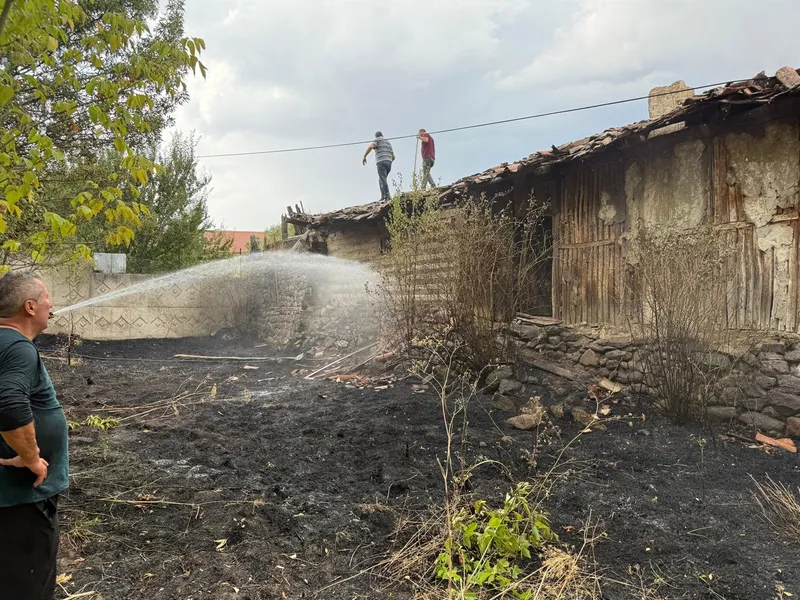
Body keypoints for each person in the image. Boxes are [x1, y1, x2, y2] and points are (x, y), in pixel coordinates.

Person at [0, 271, 67, 600]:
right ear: (30, 307)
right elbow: (9, 405)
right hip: (20, 502)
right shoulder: (17, 348)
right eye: (46, 299)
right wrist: (31, 457)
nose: (51, 304)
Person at [362, 131, 395, 202]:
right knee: (381, 179)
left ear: (376, 136)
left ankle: (387, 196)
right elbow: (393, 157)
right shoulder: (388, 142)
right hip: (389, 163)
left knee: (383, 179)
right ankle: (383, 196)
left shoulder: (377, 140)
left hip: (381, 162)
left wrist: (364, 156)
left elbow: (371, 147)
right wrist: (388, 160)